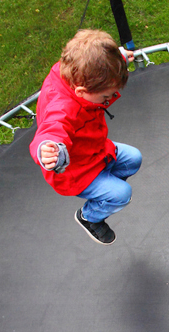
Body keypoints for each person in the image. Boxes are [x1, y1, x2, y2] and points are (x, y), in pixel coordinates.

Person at [30, 29, 140, 245]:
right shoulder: (63, 107)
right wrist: (46, 148)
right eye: (105, 97)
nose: (109, 99)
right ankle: (89, 217)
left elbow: (94, 57)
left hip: (95, 149)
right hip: (76, 170)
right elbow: (52, 127)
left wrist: (116, 59)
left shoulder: (75, 71)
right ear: (81, 92)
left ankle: (105, 191)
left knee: (134, 158)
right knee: (122, 194)